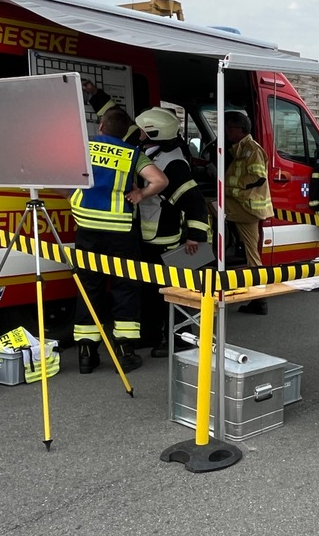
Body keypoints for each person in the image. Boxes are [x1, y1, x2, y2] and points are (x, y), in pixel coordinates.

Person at [71, 108, 168, 374]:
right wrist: (141, 195)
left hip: (87, 227)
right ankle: (125, 353)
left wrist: (74, 196)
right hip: (121, 231)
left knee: (89, 286)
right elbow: (160, 180)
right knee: (125, 286)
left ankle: (86, 354)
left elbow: (58, 179)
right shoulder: (132, 153)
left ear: (101, 126)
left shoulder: (84, 147)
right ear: (125, 132)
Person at [132, 107, 213, 357]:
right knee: (150, 290)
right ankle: (150, 334)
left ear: (153, 133)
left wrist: (195, 237)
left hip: (167, 238)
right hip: (150, 237)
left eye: (141, 129)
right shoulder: (154, 153)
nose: (137, 132)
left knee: (175, 292)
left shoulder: (173, 163)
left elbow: (195, 202)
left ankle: (180, 339)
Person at [224, 111, 274, 315]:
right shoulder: (240, 149)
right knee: (249, 252)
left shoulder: (252, 150)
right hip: (239, 206)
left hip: (247, 208)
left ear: (241, 130)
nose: (227, 131)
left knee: (253, 255)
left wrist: (231, 187)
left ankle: (259, 300)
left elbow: (258, 177)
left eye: (230, 128)